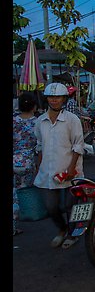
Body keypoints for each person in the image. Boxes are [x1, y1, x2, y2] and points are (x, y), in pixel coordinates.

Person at [34, 82, 84, 249]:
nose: (54, 100)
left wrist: (71, 168)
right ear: (46, 99)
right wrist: (38, 166)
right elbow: (39, 145)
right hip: (48, 170)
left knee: (70, 205)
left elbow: (78, 145)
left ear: (64, 99)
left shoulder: (72, 120)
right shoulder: (40, 121)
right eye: (51, 97)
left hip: (70, 169)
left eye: (57, 97)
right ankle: (62, 229)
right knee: (51, 206)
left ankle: (72, 233)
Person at [13, 92, 39, 236]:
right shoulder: (37, 122)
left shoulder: (14, 121)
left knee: (13, 193)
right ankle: (28, 213)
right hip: (27, 161)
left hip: (13, 160)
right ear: (34, 106)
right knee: (24, 192)